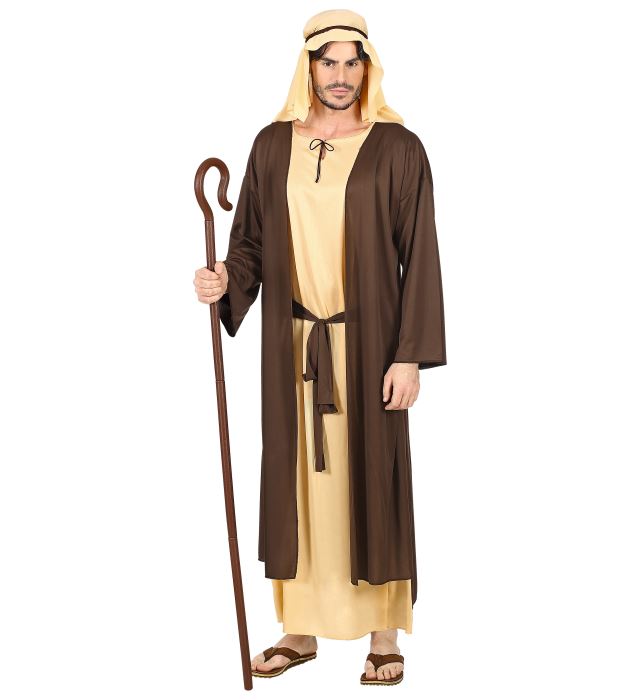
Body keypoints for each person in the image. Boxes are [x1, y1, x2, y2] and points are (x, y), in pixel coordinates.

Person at [193, 9, 446, 686]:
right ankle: (299, 630)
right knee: (298, 482)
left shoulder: (397, 148)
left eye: (351, 62)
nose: (340, 76)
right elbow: (249, 243)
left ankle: (383, 634)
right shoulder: (273, 145)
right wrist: (225, 279)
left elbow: (420, 255)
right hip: (293, 345)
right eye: (327, 62)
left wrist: (409, 355)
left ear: (368, 68)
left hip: (370, 347)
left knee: (374, 480)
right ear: (308, 68)